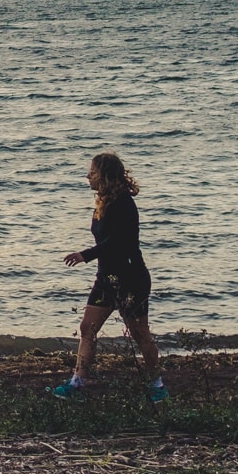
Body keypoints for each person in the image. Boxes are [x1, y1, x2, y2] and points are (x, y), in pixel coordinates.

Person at [54, 152, 167, 403]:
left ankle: (158, 384)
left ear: (104, 175)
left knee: (140, 334)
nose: (87, 176)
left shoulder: (124, 204)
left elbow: (117, 242)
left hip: (130, 278)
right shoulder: (103, 202)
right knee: (87, 328)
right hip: (105, 277)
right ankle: (78, 382)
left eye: (92, 172)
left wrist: (86, 254)